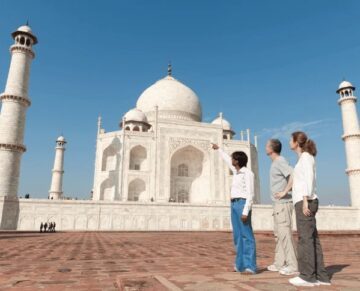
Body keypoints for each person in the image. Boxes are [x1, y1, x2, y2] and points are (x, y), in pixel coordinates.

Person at [277, 132, 330, 287]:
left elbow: (308, 179)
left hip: (305, 201)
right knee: (313, 240)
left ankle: (307, 276)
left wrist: (306, 200)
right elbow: (296, 179)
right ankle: (321, 276)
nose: (288, 142)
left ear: (296, 142)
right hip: (304, 200)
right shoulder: (302, 159)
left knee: (305, 240)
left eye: (290, 139)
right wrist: (285, 192)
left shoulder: (306, 157)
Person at [212, 143, 257, 274]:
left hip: (242, 204)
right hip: (234, 204)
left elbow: (250, 194)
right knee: (237, 236)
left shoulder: (248, 173)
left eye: (233, 158)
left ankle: (250, 266)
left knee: (247, 236)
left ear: (237, 161)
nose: (231, 160)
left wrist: (245, 211)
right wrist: (219, 149)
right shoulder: (236, 172)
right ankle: (240, 265)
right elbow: (226, 160)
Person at [266, 139, 298, 276]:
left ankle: (293, 265)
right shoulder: (275, 162)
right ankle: (280, 262)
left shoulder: (280, 161)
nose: (265, 147)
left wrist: (285, 191)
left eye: (267, 145)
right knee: (279, 235)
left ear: (272, 149)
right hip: (278, 205)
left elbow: (293, 174)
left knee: (285, 235)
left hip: (283, 204)